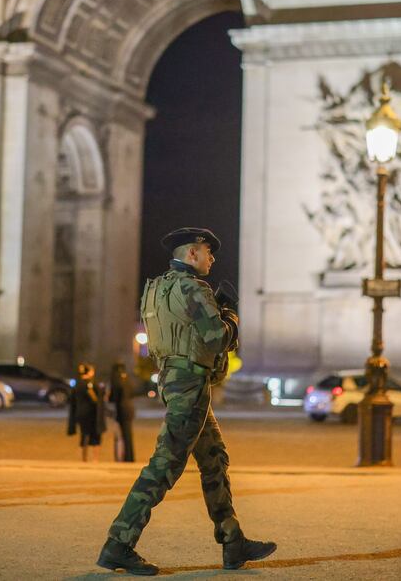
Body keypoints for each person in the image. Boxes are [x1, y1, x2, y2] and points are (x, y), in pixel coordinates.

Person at [97, 228, 276, 575]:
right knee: (165, 465)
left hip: (173, 379)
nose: (212, 259)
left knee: (213, 458)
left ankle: (232, 539)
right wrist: (231, 316)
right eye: (209, 252)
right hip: (190, 384)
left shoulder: (156, 288)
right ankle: (118, 543)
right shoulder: (193, 288)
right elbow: (215, 338)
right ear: (193, 253)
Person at [68, 363, 106, 462]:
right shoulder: (90, 384)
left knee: (83, 435)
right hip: (91, 414)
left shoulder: (77, 384)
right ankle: (94, 459)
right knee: (95, 437)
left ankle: (82, 458)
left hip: (80, 413)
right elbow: (95, 400)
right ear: (88, 372)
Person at [108, 362, 136, 463]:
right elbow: (133, 391)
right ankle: (130, 457)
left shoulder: (116, 379)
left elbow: (113, 397)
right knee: (128, 434)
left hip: (121, 409)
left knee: (122, 435)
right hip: (130, 408)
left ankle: (124, 458)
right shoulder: (127, 378)